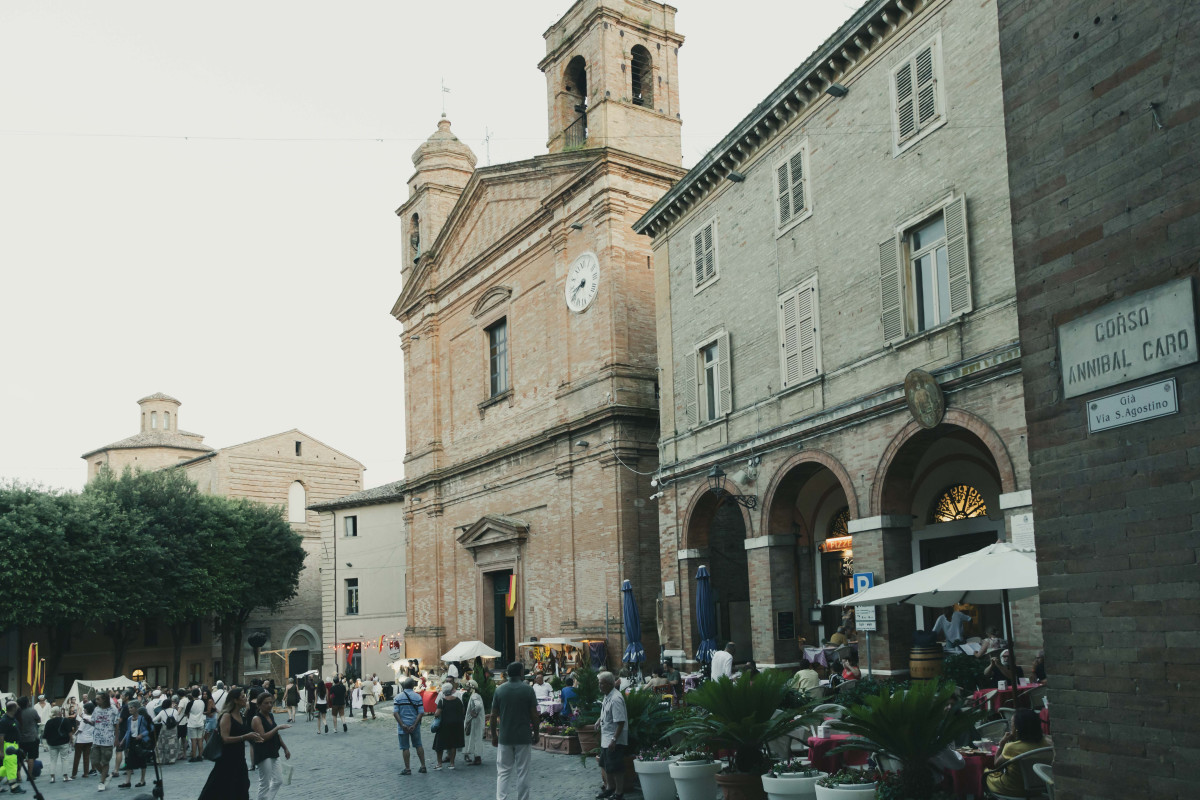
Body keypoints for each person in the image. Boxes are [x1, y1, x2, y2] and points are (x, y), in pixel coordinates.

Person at [198, 688, 262, 800]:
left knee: (242, 786)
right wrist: (245, 737)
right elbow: (225, 738)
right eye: (242, 697)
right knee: (220, 788)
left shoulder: (242, 716)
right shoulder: (227, 716)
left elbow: (244, 732)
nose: (245, 699)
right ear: (235, 700)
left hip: (239, 757)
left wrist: (254, 738)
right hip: (227, 758)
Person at [490, 661, 538, 800]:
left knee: (503, 772)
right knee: (523, 772)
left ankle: (501, 798)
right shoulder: (528, 690)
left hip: (505, 737)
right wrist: (536, 733)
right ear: (521, 673)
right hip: (523, 736)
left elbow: (493, 715)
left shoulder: (499, 690)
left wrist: (494, 735)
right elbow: (534, 715)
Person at [986, 708, 1051, 797]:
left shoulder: (1012, 748)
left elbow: (997, 764)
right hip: (1038, 790)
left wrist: (1002, 745)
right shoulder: (1048, 743)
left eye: (1012, 724)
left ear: (1017, 729)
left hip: (1012, 788)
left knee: (984, 773)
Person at [250, 693, 290, 800]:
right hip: (263, 752)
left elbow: (276, 735)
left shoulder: (270, 715)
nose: (269, 705)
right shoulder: (256, 719)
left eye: (271, 702)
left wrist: (285, 748)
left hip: (273, 751)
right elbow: (263, 737)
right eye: (266, 703)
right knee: (265, 783)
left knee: (278, 780)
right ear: (259, 705)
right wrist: (277, 728)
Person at [595, 671, 628, 800]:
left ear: (608, 684)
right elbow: (605, 711)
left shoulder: (616, 699)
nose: (599, 686)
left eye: (601, 684)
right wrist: (599, 720)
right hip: (606, 736)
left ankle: (619, 793)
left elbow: (620, 722)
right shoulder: (607, 695)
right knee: (606, 764)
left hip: (614, 738)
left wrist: (614, 739)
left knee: (616, 766)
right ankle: (609, 788)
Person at [393, 677, 427, 775]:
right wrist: (414, 724)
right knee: (418, 745)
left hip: (403, 726)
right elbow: (421, 712)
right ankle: (423, 766)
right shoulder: (417, 697)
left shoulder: (398, 697)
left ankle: (407, 769)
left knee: (405, 747)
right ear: (413, 686)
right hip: (415, 725)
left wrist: (402, 725)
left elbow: (395, 713)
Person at [118, 700, 152, 789]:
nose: (130, 709)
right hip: (132, 741)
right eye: (129, 707)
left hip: (141, 742)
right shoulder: (129, 719)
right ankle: (127, 781)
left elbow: (150, 729)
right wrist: (122, 741)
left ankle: (142, 780)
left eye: (131, 707)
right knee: (129, 761)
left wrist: (142, 735)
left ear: (136, 708)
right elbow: (128, 731)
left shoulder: (142, 718)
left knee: (142, 761)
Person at [432, 682, 466, 770]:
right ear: (451, 691)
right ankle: (452, 763)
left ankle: (439, 764)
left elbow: (437, 713)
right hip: (456, 724)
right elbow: (462, 711)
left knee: (439, 744)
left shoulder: (442, 701)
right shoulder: (458, 700)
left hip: (444, 725)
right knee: (453, 744)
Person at [90, 693, 119, 791]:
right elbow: (93, 721)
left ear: (104, 700)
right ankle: (105, 775)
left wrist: (116, 739)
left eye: (98, 699)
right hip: (96, 739)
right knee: (94, 761)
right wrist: (87, 721)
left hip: (108, 739)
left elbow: (116, 725)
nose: (96, 700)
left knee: (105, 761)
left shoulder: (114, 710)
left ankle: (101, 782)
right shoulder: (96, 709)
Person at [42, 706, 74, 784]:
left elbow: (45, 734)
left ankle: (52, 777)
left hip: (52, 744)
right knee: (64, 759)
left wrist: (46, 743)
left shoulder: (49, 722)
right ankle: (65, 776)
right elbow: (69, 732)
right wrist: (71, 740)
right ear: (59, 712)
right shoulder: (65, 720)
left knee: (53, 760)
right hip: (63, 742)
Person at [14, 697, 39, 785]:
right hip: (32, 737)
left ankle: (18, 776)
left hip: (20, 739)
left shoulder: (16, 713)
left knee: (20, 758)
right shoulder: (32, 711)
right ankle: (29, 775)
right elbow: (38, 719)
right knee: (31, 757)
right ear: (27, 703)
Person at [461, 679, 486, 767]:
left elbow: (478, 705)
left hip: (475, 721)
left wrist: (474, 712)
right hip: (476, 720)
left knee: (475, 738)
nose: (466, 689)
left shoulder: (474, 695)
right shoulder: (475, 695)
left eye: (468, 687)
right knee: (476, 737)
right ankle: (477, 757)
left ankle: (477, 758)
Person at [152, 696, 181, 766]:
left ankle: (160, 759)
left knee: (161, 744)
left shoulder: (162, 712)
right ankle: (172, 759)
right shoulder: (175, 711)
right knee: (172, 744)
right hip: (173, 729)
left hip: (164, 728)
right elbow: (177, 720)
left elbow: (154, 720)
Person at [72, 701, 94, 780]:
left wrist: (74, 735)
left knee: (77, 757)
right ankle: (86, 773)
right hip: (90, 739)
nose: (83, 710)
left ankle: (74, 773)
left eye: (84, 709)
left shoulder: (85, 719)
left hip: (81, 740)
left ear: (87, 709)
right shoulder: (93, 718)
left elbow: (80, 729)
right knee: (86, 757)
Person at [186, 689, 206, 762]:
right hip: (200, 722)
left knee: (193, 740)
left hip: (192, 723)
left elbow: (186, 713)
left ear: (192, 694)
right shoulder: (202, 702)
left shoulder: (190, 703)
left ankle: (194, 756)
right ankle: (200, 756)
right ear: (199, 694)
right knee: (200, 740)